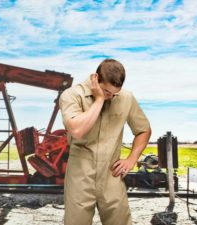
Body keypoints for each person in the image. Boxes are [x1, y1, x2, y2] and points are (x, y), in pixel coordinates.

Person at [59, 59, 151, 225]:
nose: (111, 97)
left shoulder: (126, 98)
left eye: (115, 94)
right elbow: (77, 130)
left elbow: (143, 130)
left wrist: (131, 159)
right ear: (95, 79)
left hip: (112, 173)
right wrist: (99, 100)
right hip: (80, 173)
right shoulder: (71, 95)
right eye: (107, 92)